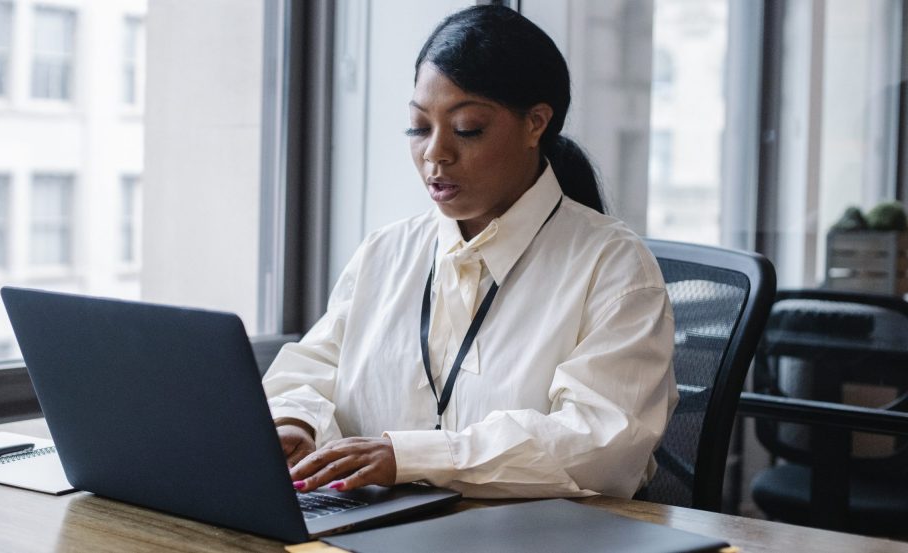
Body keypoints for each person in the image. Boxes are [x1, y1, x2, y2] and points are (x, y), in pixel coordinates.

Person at [262, 5, 677, 499]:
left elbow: (603, 444)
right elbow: (310, 369)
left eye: (467, 129)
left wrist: (412, 457)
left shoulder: (613, 267)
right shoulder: (385, 253)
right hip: (378, 527)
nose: (435, 153)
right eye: (418, 127)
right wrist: (295, 423)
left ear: (535, 124)